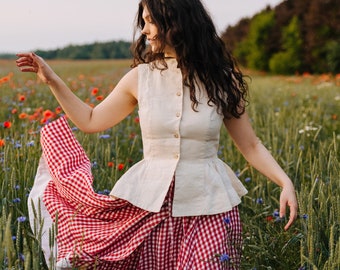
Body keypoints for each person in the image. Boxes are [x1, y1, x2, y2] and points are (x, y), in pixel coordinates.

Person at [16, 0, 298, 269]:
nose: (145, 30)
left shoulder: (221, 80)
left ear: (176, 22)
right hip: (151, 208)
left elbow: (250, 145)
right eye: (144, 22)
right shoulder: (141, 77)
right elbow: (91, 120)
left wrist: (284, 181)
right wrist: (53, 80)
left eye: (151, 21)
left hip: (211, 207)